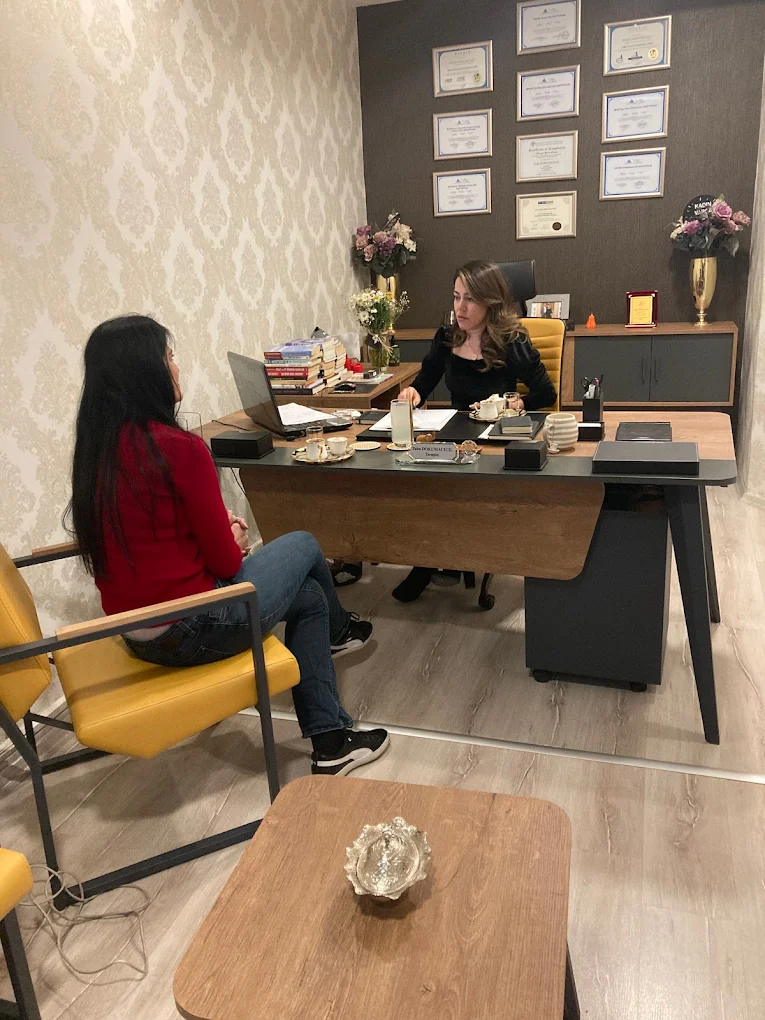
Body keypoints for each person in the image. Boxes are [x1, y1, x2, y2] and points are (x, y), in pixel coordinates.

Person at [66, 315, 389, 777]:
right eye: (169, 357)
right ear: (147, 373)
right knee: (304, 543)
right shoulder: (180, 449)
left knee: (310, 598)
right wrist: (234, 540)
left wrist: (219, 533)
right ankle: (339, 637)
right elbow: (224, 564)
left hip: (134, 634)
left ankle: (332, 741)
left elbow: (156, 541)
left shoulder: (96, 454)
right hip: (192, 627)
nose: (176, 367)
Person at [394, 260, 557, 603]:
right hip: (453, 438)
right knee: (414, 481)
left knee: (459, 492)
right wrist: (412, 394)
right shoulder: (446, 337)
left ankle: (460, 555)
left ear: (490, 302)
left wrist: (517, 403)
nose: (460, 307)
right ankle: (426, 560)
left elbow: (546, 394)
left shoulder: (512, 341)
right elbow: (424, 382)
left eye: (470, 299)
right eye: (456, 297)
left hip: (495, 442)